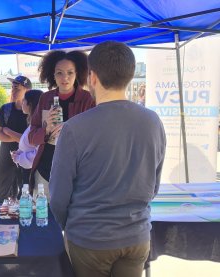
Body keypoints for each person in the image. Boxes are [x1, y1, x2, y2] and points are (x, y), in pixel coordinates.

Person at [49, 41, 166, 277]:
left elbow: (58, 195)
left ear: (92, 77)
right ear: (130, 76)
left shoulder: (74, 128)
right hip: (136, 235)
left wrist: (68, 227)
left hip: (90, 238)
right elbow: (153, 185)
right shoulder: (153, 121)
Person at [28, 50, 95, 198]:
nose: (65, 77)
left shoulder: (88, 99)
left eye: (70, 72)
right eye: (59, 73)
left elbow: (95, 137)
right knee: (42, 214)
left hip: (76, 172)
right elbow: (31, 138)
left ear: (77, 74)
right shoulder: (45, 98)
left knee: (71, 217)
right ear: (52, 75)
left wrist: (71, 129)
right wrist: (46, 130)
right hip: (45, 169)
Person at [0, 75, 31, 203]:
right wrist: (21, 138)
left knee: (25, 194)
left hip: (26, 158)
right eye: (12, 88)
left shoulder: (33, 112)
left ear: (27, 91)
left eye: (17, 88)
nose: (13, 91)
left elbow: (31, 140)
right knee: (0, 195)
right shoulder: (6, 109)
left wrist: (8, 131)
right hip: (5, 156)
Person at [10, 89, 43, 193]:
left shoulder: (40, 124)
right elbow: (28, 146)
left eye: (24, 100)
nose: (22, 102)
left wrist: (19, 157)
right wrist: (19, 153)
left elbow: (38, 153)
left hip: (33, 172)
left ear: (30, 104)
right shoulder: (33, 122)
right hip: (27, 171)